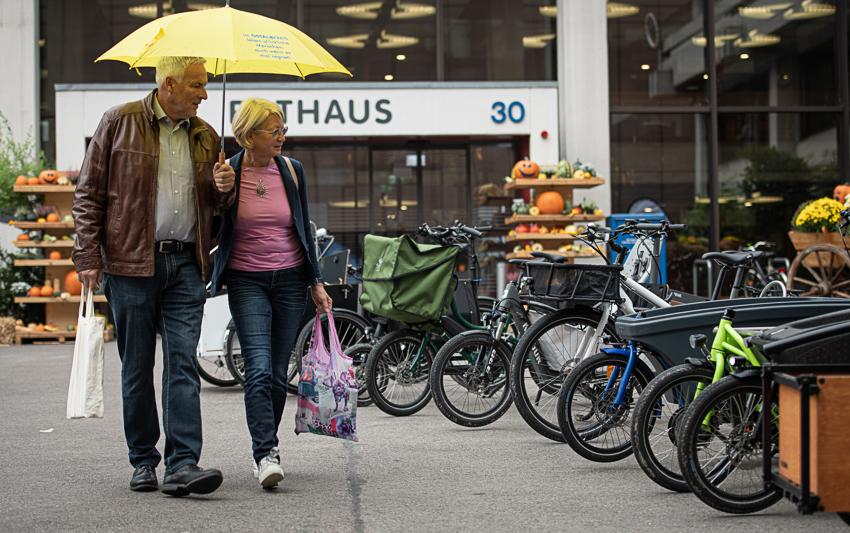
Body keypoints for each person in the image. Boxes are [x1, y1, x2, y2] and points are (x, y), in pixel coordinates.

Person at [72, 56, 236, 497]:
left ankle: (183, 462)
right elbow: (88, 193)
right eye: (197, 85)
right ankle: (143, 459)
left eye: (205, 87)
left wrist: (225, 190)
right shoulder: (118, 122)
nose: (205, 93)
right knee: (137, 367)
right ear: (169, 84)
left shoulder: (206, 135)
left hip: (185, 264)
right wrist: (87, 255)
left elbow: (216, 211)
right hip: (129, 265)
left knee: (182, 364)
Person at [209, 97, 331, 489]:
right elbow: (209, 227)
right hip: (247, 281)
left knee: (279, 374)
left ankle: (267, 448)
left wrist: (315, 281)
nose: (282, 136)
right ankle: (265, 454)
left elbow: (303, 230)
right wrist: (218, 192)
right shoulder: (226, 172)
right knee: (258, 369)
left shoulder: (292, 172)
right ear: (248, 135)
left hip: (292, 282)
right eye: (274, 130)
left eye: (284, 129)